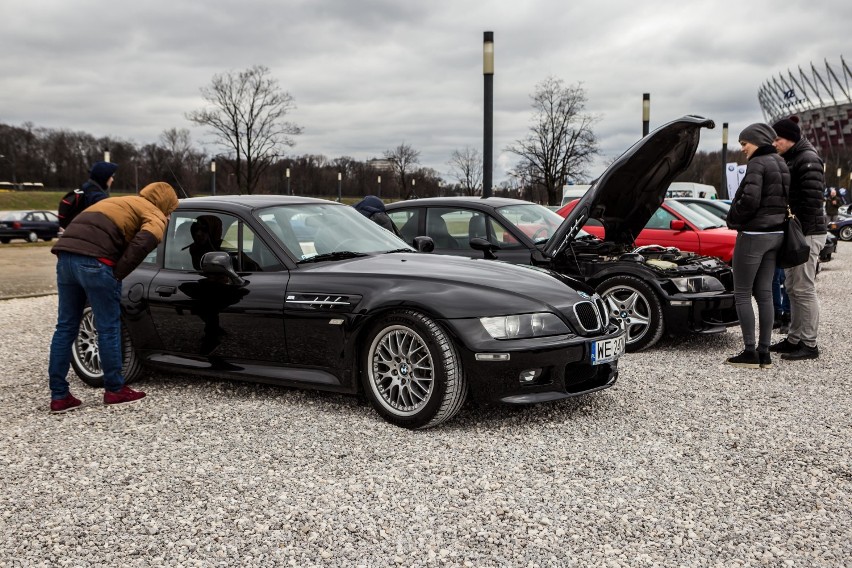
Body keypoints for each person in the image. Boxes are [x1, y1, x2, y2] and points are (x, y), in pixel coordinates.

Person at [47, 182, 179, 413]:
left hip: (65, 256)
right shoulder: (154, 213)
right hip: (95, 263)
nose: (169, 214)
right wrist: (117, 273)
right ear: (165, 204)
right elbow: (144, 242)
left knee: (66, 327)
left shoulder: (120, 201)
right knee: (108, 328)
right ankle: (115, 390)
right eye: (171, 209)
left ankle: (59, 396)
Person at [724, 123, 789, 369]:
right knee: (764, 294)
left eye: (744, 144)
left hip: (753, 235)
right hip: (776, 234)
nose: (742, 149)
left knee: (742, 293)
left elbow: (749, 200)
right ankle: (765, 352)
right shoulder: (781, 163)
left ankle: (750, 351)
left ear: (758, 141)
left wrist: (734, 219)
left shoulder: (758, 163)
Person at [769, 116, 827, 361]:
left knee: (804, 288)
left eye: (777, 139)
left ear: (790, 138)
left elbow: (811, 202)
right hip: (799, 233)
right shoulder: (793, 158)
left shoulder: (808, 159)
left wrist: (793, 228)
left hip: (807, 233)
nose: (774, 143)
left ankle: (809, 344)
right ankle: (794, 339)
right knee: (792, 287)